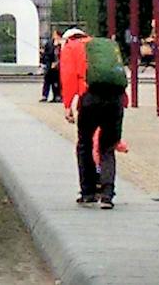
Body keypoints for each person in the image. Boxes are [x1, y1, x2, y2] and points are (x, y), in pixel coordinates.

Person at [62, 28, 127, 209]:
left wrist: (68, 105)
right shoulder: (103, 46)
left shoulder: (71, 47)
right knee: (107, 146)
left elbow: (68, 77)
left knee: (84, 144)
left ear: (68, 38)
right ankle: (107, 195)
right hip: (115, 99)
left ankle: (88, 192)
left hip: (89, 98)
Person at [40, 31, 62, 102]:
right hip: (49, 65)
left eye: (55, 34)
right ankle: (45, 96)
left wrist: (56, 63)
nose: (54, 36)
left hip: (57, 66)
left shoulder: (61, 44)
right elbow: (47, 53)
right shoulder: (49, 43)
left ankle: (57, 96)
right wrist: (43, 54)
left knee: (56, 82)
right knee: (47, 81)